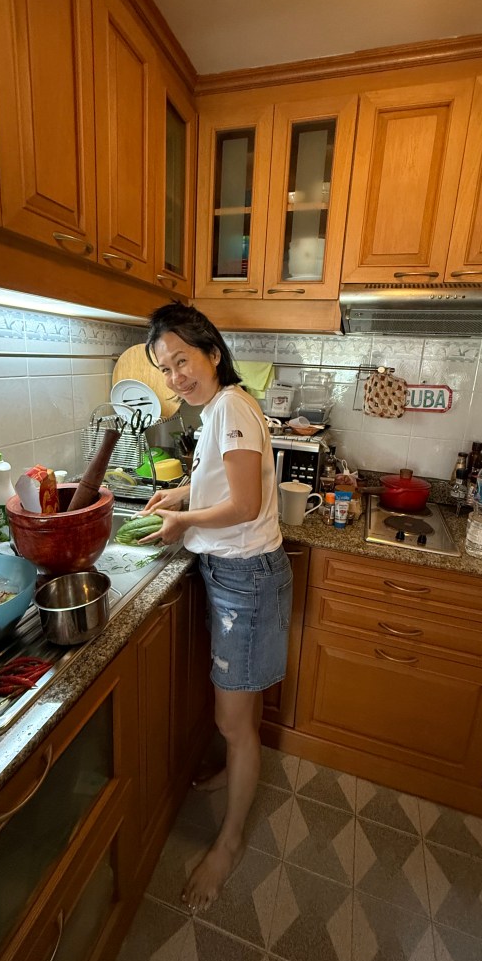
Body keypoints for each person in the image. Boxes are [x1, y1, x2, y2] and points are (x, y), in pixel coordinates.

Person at [140, 302, 293, 913]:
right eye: (165, 367)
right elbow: (225, 483)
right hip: (238, 575)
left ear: (211, 351)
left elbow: (246, 506)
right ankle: (236, 767)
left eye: (182, 360)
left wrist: (182, 521)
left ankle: (227, 844)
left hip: (244, 579)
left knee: (234, 723)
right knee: (237, 715)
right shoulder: (227, 406)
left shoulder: (228, 406)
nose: (176, 376)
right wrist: (183, 491)